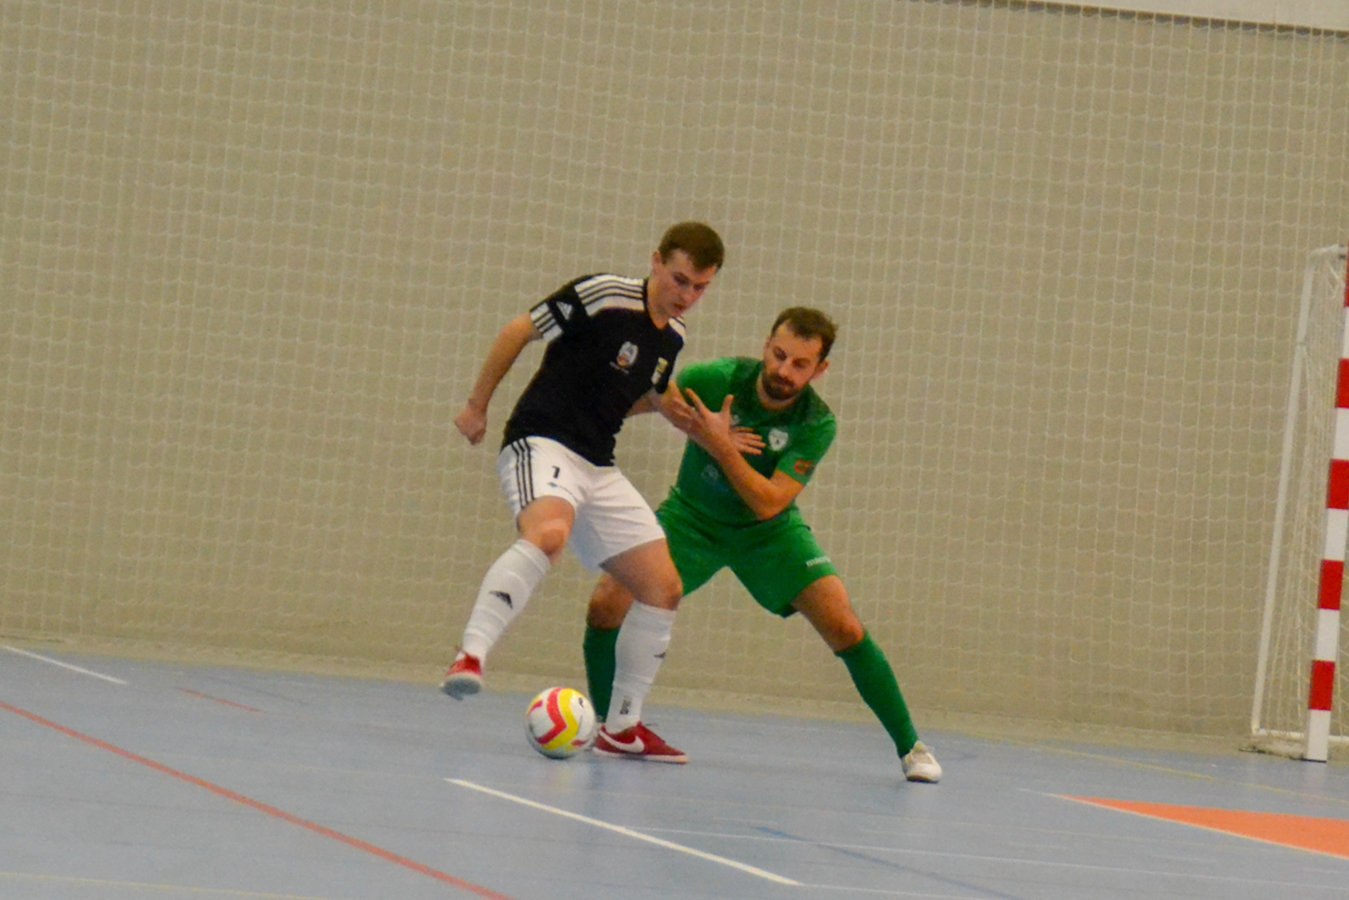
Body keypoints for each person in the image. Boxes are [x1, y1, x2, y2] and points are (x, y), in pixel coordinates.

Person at [582, 307, 942, 781]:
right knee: (607, 603)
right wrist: (606, 412)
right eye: (778, 355)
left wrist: (719, 444)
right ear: (766, 346)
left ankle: (911, 746)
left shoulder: (816, 423)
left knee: (845, 626)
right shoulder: (715, 379)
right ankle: (612, 728)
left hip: (768, 533)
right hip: (691, 519)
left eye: (799, 364)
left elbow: (768, 503)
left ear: (819, 370)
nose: (783, 370)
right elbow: (645, 399)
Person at [442, 221, 725, 764]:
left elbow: (640, 396)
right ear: (656, 261)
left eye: (700, 287)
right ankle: (470, 655)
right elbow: (518, 330)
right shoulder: (605, 295)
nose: (687, 295)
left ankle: (622, 727)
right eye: (679, 279)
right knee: (549, 534)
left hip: (598, 464)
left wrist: (686, 419)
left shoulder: (673, 337)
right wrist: (477, 405)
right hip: (541, 441)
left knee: (664, 587)